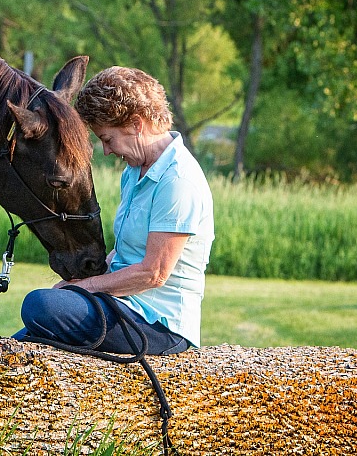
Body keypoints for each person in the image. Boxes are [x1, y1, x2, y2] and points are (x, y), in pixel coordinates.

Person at [13, 66, 214, 355]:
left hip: (159, 325)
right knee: (23, 337)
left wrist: (85, 288)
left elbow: (153, 273)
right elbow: (125, 254)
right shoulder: (134, 172)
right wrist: (79, 283)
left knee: (40, 306)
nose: (107, 151)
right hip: (123, 306)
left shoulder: (178, 181)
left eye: (108, 139)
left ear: (136, 124)